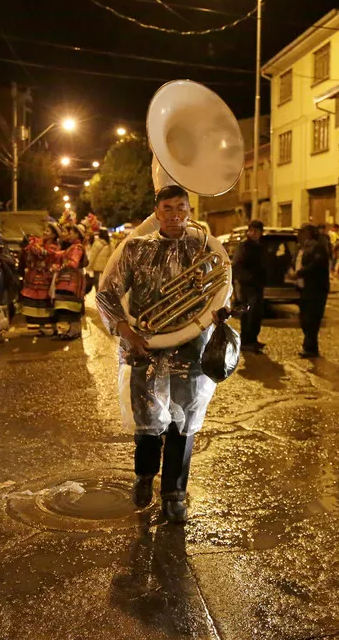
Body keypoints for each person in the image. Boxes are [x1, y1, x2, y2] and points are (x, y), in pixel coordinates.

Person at [96, 184, 225, 524]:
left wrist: (221, 314)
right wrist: (125, 331)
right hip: (147, 347)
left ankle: (174, 494)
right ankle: (143, 477)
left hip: (190, 348)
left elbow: (219, 295)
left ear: (190, 211)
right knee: (148, 423)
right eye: (167, 208)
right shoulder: (136, 249)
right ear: (157, 212)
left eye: (180, 207)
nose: (174, 214)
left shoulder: (203, 249)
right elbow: (107, 294)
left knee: (184, 427)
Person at [294, 223, 331, 357]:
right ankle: (311, 347)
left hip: (316, 289)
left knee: (311, 319)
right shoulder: (304, 247)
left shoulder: (316, 247)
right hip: (306, 288)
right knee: (306, 318)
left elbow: (315, 265)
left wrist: (299, 273)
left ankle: (309, 348)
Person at [20, 223, 63, 336]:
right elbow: (32, 256)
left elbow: (45, 253)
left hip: (47, 278)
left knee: (48, 302)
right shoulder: (39, 243)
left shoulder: (54, 248)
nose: (45, 232)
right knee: (37, 303)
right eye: (45, 230)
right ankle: (42, 327)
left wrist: (34, 246)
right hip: (35, 276)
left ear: (54, 235)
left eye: (48, 231)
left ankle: (54, 327)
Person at [232, 220, 268, 352]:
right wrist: (244, 280)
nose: (253, 233)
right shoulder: (244, 246)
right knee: (249, 313)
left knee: (257, 313)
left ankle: (253, 339)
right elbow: (237, 265)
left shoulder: (261, 246)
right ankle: (246, 340)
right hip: (247, 285)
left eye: (256, 231)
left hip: (258, 284)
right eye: (251, 230)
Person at [53, 223, 89, 340]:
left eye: (71, 232)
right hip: (67, 281)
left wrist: (60, 267)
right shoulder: (72, 247)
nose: (69, 234)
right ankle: (70, 331)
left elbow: (73, 263)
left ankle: (72, 332)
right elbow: (59, 254)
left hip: (72, 282)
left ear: (77, 234)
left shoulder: (77, 248)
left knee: (70, 308)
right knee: (67, 307)